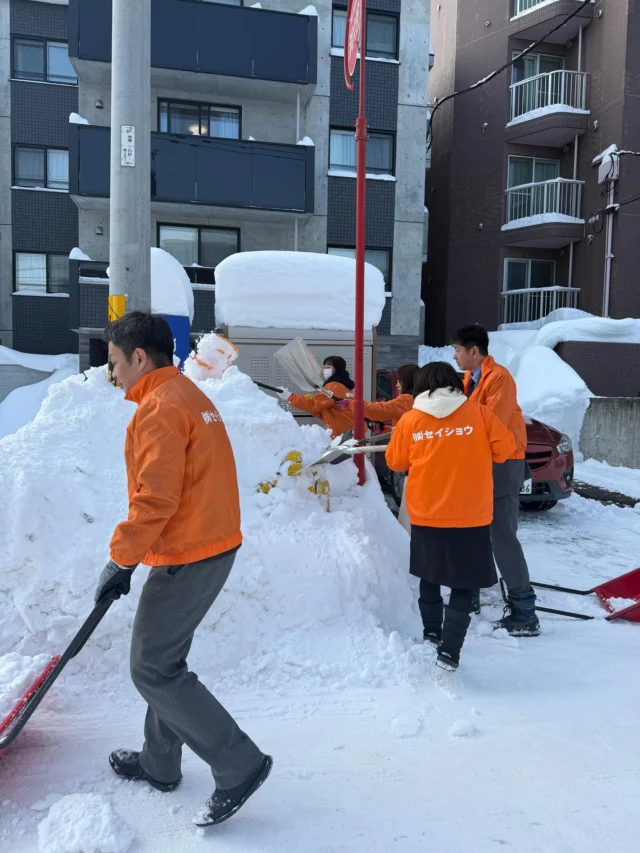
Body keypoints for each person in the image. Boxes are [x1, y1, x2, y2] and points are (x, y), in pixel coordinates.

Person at [94, 312, 272, 827]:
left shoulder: (159, 408)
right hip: (210, 541)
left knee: (151, 667)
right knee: (166, 661)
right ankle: (160, 762)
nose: (114, 374)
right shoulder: (188, 395)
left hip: (191, 551)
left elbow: (155, 499)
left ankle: (239, 764)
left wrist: (120, 559)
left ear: (140, 358)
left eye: (115, 363)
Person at [385, 362, 515, 670]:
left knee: (429, 576)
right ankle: (450, 651)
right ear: (455, 384)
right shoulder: (479, 414)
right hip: (471, 515)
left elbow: (395, 462)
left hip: (427, 514)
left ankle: (431, 633)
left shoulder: (411, 419)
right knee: (463, 583)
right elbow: (506, 448)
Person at [452, 324, 540, 637]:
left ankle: (524, 609)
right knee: (474, 531)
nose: (455, 356)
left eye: (458, 350)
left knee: (501, 536)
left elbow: (490, 424)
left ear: (474, 351)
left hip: (502, 465)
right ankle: (470, 594)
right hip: (481, 465)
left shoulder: (499, 378)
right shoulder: (469, 379)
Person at [279, 355, 355, 438]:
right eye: (324, 367)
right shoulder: (345, 388)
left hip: (342, 435)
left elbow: (313, 406)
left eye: (328, 367)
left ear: (337, 369)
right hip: (350, 432)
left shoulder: (333, 386)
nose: (325, 370)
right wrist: (312, 399)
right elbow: (327, 410)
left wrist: (289, 396)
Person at [347, 363, 419, 428]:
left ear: (408, 381)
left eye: (399, 381)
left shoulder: (406, 400)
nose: (397, 385)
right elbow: (404, 429)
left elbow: (381, 409)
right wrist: (384, 429)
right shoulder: (419, 399)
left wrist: (350, 404)